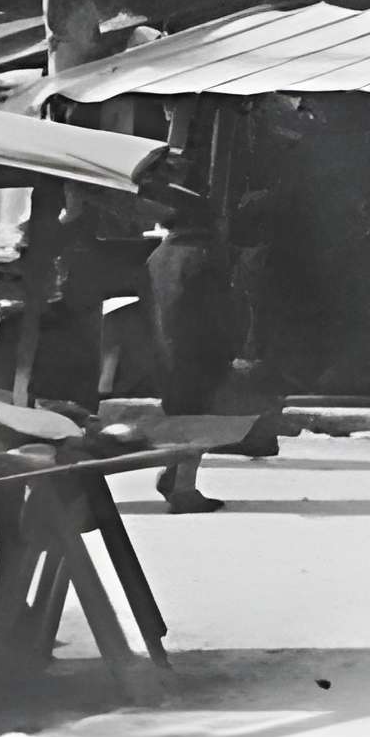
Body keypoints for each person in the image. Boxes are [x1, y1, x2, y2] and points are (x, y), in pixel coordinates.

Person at [142, 197, 245, 513]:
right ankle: (184, 488)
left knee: (179, 414)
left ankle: (172, 474)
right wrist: (232, 345)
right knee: (198, 419)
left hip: (165, 347)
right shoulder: (205, 255)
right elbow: (221, 308)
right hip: (200, 348)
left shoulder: (158, 255)